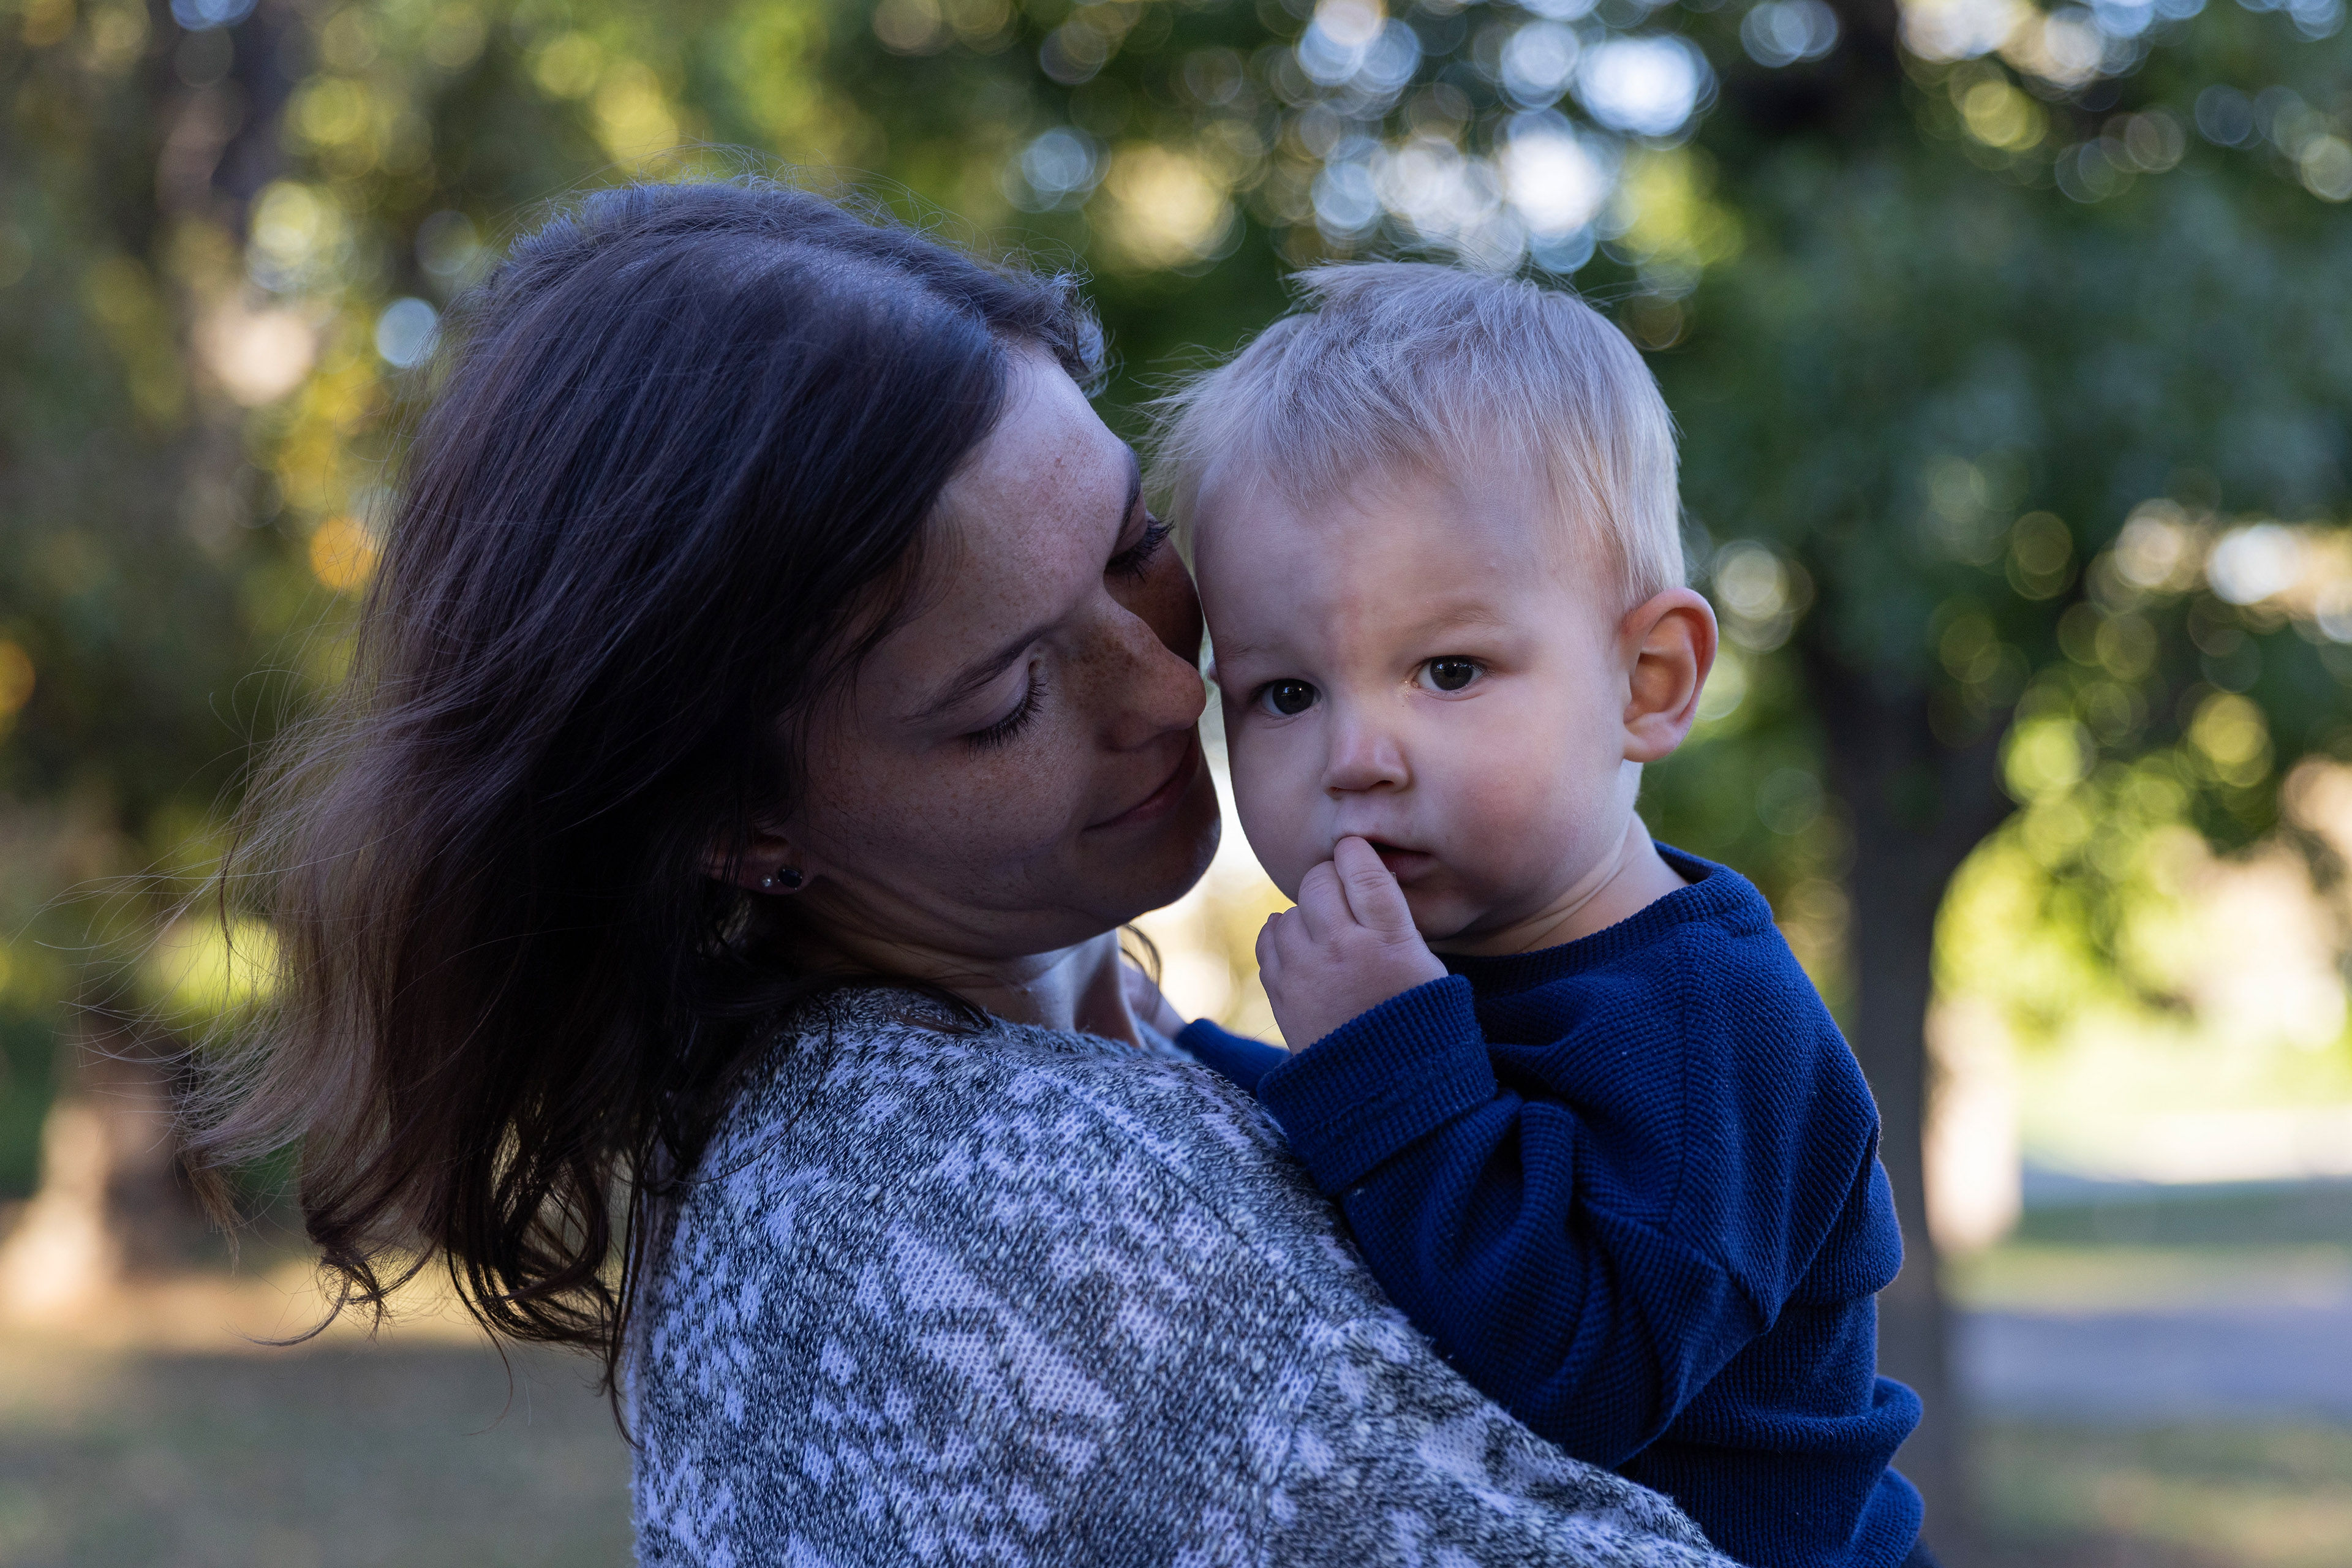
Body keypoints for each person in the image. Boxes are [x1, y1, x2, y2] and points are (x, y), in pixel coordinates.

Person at [188, 181, 1738, 1566]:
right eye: (1007, 695)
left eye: (1137, 543)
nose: (1158, 687)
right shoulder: (975, 1224)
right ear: (744, 829)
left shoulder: (1058, 1032)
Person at [1157, 265, 1929, 1568]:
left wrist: (1376, 1046)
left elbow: (1584, 1373)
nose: (1356, 754)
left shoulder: (1708, 1024)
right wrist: (1179, 1051)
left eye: (1448, 669)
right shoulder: (1451, 972)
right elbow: (1366, 1162)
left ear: (1649, 680)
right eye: (1283, 693)